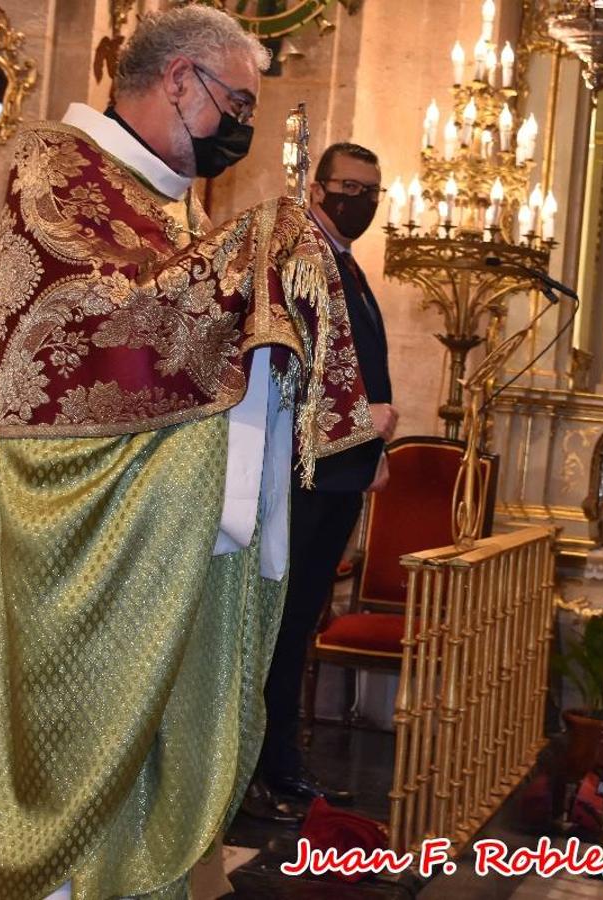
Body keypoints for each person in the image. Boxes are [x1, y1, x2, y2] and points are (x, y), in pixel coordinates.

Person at [0, 8, 377, 900]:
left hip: (164, 529)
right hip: (76, 518)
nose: (240, 123)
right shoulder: (58, 165)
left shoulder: (173, 202)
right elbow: (96, 328)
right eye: (236, 100)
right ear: (179, 81)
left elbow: (194, 339)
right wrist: (248, 259)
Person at [255, 142, 396, 811]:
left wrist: (373, 452)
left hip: (340, 471)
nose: (361, 200)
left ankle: (281, 759)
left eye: (372, 191)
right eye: (350, 187)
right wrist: (366, 423)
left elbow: (358, 361)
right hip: (304, 475)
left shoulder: (348, 266)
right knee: (280, 626)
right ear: (317, 189)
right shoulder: (302, 258)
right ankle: (266, 765)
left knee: (302, 621)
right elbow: (290, 365)